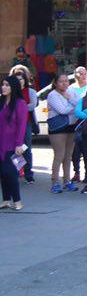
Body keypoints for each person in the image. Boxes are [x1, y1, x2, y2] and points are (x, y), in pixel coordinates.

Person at [45, 73, 79, 193]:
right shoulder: (52, 95)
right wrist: (75, 108)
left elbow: (79, 103)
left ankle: (67, 181)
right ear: (55, 83)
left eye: (66, 81)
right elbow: (62, 110)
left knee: (68, 156)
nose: (65, 83)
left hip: (71, 126)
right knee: (59, 155)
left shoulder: (71, 91)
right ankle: (55, 182)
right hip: (58, 128)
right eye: (61, 81)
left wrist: (69, 99)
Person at [0, 75, 30, 210]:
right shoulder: (1, 102)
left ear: (13, 87)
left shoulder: (20, 104)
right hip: (1, 142)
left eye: (7, 85)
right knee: (2, 172)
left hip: (13, 144)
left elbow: (22, 125)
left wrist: (19, 144)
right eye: (2, 84)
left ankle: (17, 201)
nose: (3, 87)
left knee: (10, 172)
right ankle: (6, 200)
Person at [13, 68, 37, 183]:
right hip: (12, 125)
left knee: (26, 148)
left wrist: (19, 108)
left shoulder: (30, 91)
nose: (19, 81)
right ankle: (18, 170)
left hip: (26, 123)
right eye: (16, 79)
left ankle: (28, 174)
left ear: (25, 80)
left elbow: (33, 105)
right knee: (15, 149)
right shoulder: (10, 91)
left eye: (21, 79)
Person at [68, 67, 87, 184]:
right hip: (73, 122)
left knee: (86, 149)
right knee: (75, 150)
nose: (83, 75)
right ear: (75, 75)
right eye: (80, 73)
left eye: (85, 73)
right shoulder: (71, 88)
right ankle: (76, 172)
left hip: (86, 122)